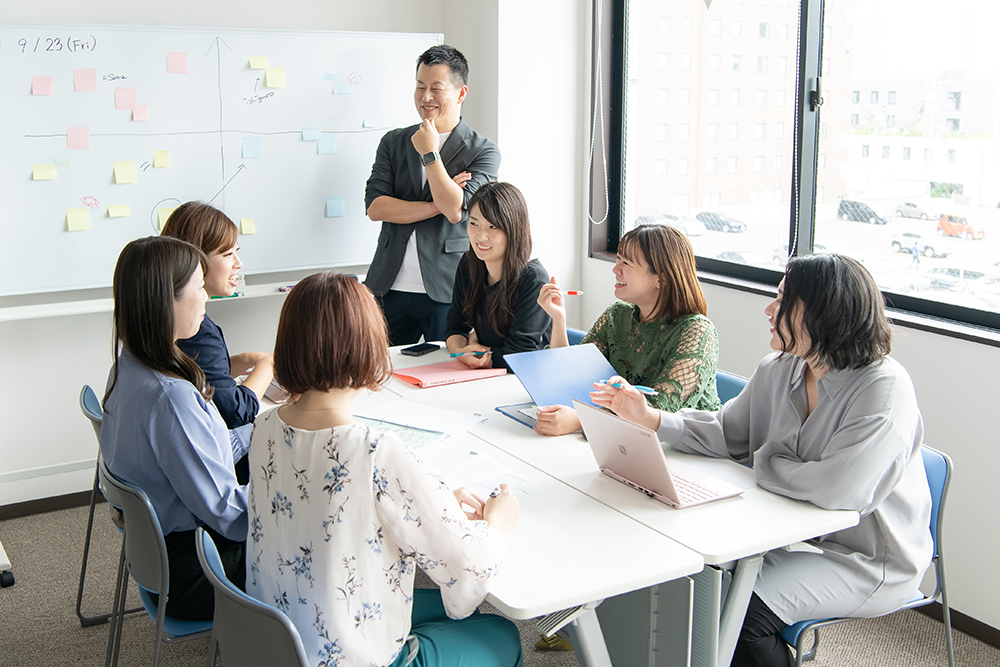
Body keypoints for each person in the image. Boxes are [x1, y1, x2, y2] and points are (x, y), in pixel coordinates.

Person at [591, 253, 933, 667]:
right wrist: (650, 418)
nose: (770, 310)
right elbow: (726, 433)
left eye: (784, 300)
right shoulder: (779, 367)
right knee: (690, 581)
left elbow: (841, 491)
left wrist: (764, 459)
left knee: (741, 615)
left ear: (826, 313)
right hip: (790, 535)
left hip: (867, 560)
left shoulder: (884, 388)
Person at [246, 272, 522, 667]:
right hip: (347, 656)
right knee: (500, 634)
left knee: (444, 608)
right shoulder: (376, 452)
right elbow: (470, 567)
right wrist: (497, 524)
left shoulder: (264, 425)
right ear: (368, 346)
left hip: (282, 637)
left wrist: (432, 496)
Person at [100, 236, 247, 620]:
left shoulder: (129, 369)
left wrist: (265, 430)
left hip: (159, 559)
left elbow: (203, 450)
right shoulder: (171, 398)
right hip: (196, 574)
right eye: (199, 287)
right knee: (320, 537)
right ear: (168, 301)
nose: (207, 298)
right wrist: (292, 494)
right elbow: (230, 516)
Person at [364, 44, 501, 346]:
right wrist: (438, 201)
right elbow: (376, 207)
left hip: (447, 286)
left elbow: (456, 211)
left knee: (449, 373)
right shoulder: (394, 142)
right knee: (376, 374)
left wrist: (430, 153)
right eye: (419, 87)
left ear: (461, 93)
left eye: (436, 89)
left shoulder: (483, 151)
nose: (425, 97)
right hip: (388, 285)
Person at [534, 224, 721, 436]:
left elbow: (660, 412)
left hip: (689, 454)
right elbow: (571, 376)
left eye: (627, 263)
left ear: (661, 278)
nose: (615, 269)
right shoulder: (617, 315)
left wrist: (579, 420)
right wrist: (558, 319)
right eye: (618, 259)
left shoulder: (696, 331)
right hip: (624, 443)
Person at [161, 201, 274, 431]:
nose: (238, 263)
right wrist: (268, 365)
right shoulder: (196, 330)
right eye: (228, 254)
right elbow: (234, 413)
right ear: (196, 262)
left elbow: (199, 379)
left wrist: (243, 359)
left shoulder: (166, 316)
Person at [445, 182, 551, 370]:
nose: (481, 236)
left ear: (513, 229)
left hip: (526, 380)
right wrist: (463, 352)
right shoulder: (468, 264)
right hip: (485, 375)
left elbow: (520, 355)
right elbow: (455, 327)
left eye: (493, 227)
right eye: (474, 223)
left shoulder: (533, 279)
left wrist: (478, 353)